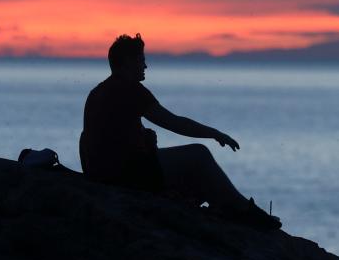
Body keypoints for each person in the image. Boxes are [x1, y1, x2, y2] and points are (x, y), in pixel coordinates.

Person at [79, 33, 281, 230]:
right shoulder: (131, 90)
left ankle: (226, 208)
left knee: (195, 180)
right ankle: (243, 209)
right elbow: (174, 123)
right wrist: (214, 133)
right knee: (198, 155)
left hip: (102, 172)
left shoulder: (99, 91)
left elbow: (108, 136)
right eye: (141, 60)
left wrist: (145, 138)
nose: (145, 66)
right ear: (128, 62)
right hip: (123, 174)